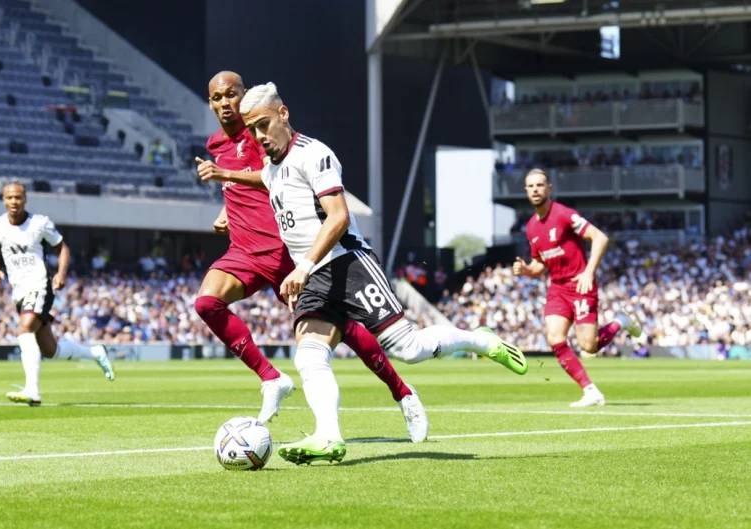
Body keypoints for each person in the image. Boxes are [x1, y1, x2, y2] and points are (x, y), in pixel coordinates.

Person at [204, 82, 526, 465]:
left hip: (348, 264)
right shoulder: (272, 168)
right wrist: (230, 194)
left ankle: (480, 341)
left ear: (283, 114)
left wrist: (303, 267)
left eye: (263, 125)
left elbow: (338, 217)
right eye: (252, 129)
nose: (258, 137)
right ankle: (327, 435)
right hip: (315, 278)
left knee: (409, 349)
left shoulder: (315, 154)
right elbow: (265, 181)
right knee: (309, 357)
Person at [194, 71, 428, 442]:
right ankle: (271, 378)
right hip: (245, 251)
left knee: (348, 331)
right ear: (210, 102)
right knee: (206, 303)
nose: (226, 103)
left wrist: (227, 175)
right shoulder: (215, 144)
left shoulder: (261, 129)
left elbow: (269, 174)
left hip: (287, 251)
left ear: (244, 95)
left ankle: (402, 392)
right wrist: (227, 207)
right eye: (217, 97)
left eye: (231, 95)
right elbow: (245, 185)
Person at [512, 168, 642, 407]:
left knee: (588, 346)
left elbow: (600, 237)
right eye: (530, 187)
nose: (535, 190)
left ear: (549, 188)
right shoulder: (531, 227)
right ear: (526, 192)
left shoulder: (563, 215)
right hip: (558, 288)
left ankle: (621, 322)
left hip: (581, 285)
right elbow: (539, 264)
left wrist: (588, 271)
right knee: (555, 338)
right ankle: (590, 391)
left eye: (540, 185)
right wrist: (526, 270)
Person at [0, 181, 115, 406]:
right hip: (19, 291)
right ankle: (95, 352)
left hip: (40, 285)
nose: (14, 202)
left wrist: (61, 273)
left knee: (24, 328)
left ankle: (32, 391)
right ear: (3, 199)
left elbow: (62, 247)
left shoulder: (39, 223)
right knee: (50, 350)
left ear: (25, 199)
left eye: (18, 197)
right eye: (9, 198)